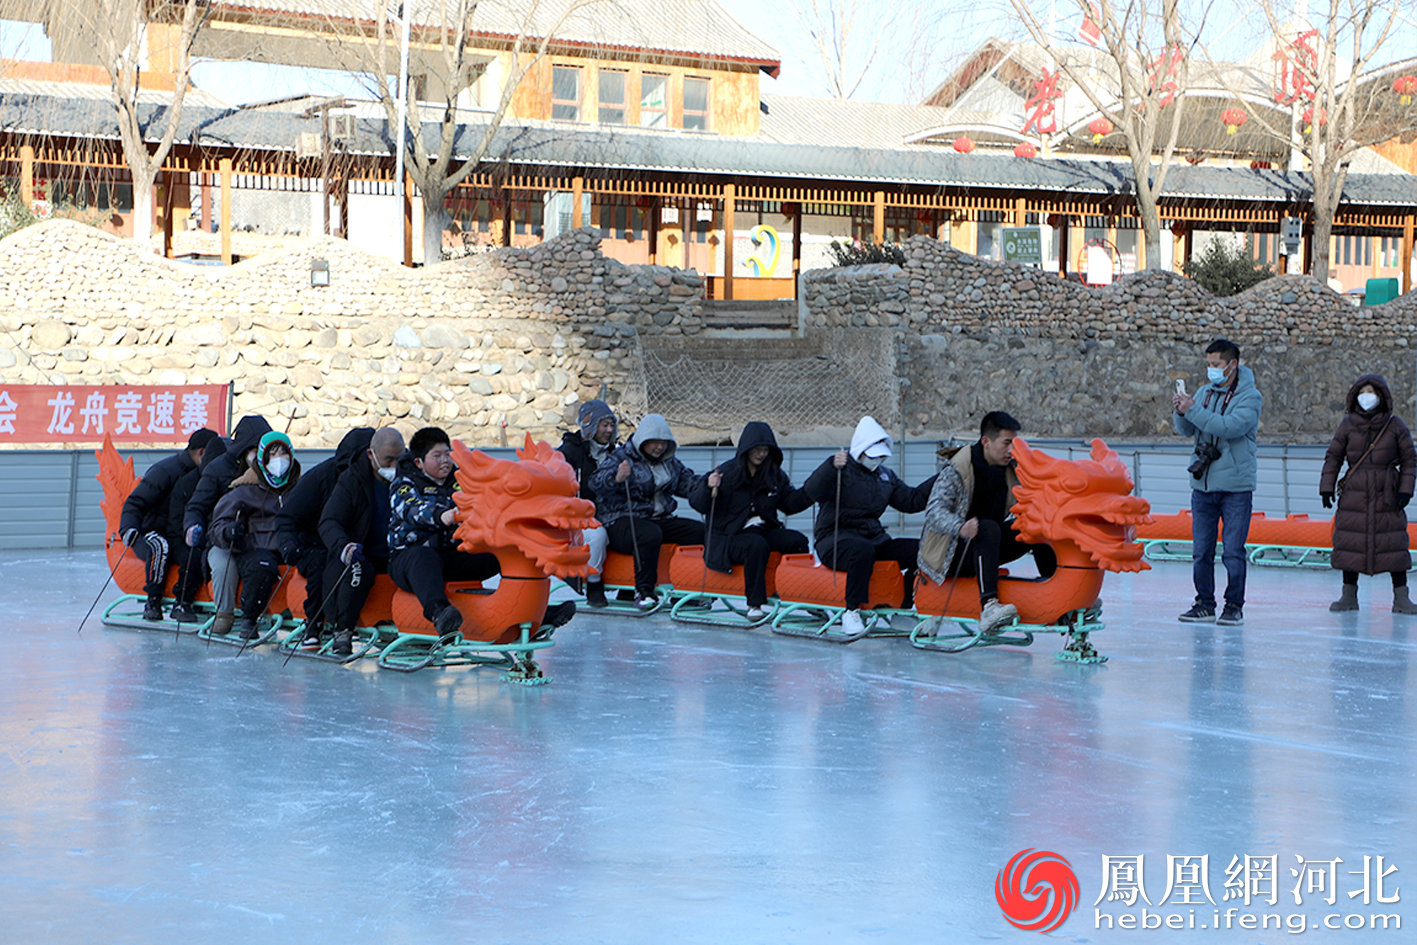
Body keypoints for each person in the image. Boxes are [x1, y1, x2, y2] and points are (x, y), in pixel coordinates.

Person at [388, 427, 576, 637]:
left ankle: (533, 610)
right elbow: (412, 510)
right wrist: (444, 515)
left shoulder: (460, 481)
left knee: (506, 550)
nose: (445, 461)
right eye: (437, 456)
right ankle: (439, 613)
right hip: (411, 560)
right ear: (419, 463)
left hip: (452, 553)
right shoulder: (404, 484)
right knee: (423, 558)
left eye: (447, 454)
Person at [918, 412, 1057, 634]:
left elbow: (1034, 495)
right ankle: (989, 607)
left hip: (985, 546)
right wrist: (960, 527)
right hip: (950, 553)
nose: (1011, 450)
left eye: (1015, 443)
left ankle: (1055, 587)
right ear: (986, 441)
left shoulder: (1011, 469)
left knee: (1032, 523)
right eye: (1006, 443)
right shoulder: (957, 469)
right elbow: (934, 512)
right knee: (988, 528)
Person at [803, 415, 937, 635]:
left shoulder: (885, 476)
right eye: (872, 456)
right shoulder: (840, 469)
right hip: (835, 539)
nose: (877, 461)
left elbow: (911, 500)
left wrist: (939, 479)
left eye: (881, 457)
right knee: (860, 551)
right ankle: (851, 610)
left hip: (873, 539)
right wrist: (829, 466)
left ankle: (902, 610)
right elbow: (812, 491)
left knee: (921, 549)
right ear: (859, 450)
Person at [1173, 338, 1263, 626]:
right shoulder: (1204, 392)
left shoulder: (1250, 397)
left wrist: (1194, 411)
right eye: (1208, 364)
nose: (1211, 370)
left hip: (1235, 486)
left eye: (1216, 365)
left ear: (1232, 365)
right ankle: (1204, 603)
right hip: (1203, 485)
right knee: (1201, 550)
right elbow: (1188, 429)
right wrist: (1180, 411)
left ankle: (1234, 605)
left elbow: (1230, 427)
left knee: (1234, 551)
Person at [690, 421, 811, 619]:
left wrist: (813, 490)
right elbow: (699, 504)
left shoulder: (774, 474)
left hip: (763, 529)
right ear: (746, 449)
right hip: (729, 537)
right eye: (756, 449)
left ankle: (796, 593)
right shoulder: (727, 473)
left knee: (797, 541)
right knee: (756, 545)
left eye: (765, 450)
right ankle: (755, 603)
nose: (761, 454)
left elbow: (790, 503)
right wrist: (707, 485)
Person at [1320, 374, 1417, 614]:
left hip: (1387, 490)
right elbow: (1334, 456)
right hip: (1355, 489)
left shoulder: (1395, 426)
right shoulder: (1347, 425)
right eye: (1363, 392)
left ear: (1382, 397)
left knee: (1394, 542)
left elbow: (1409, 460)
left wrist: (1405, 490)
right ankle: (1348, 596)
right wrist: (1326, 486)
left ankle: (1401, 597)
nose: (1367, 397)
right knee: (1350, 541)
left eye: (1372, 392)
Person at [590, 414, 705, 608]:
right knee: (649, 533)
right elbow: (595, 482)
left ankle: (686, 589)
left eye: (663, 443)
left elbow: (687, 484)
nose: (659, 448)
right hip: (621, 520)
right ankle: (644, 591)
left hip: (658, 518)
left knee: (698, 531)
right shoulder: (622, 457)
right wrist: (616, 477)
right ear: (643, 440)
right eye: (654, 443)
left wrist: (709, 484)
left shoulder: (669, 462)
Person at [275, 426, 374, 644]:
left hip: (351, 545)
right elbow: (286, 518)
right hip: (313, 544)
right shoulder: (322, 477)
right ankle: (314, 623)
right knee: (321, 564)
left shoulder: (376, 478)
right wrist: (289, 547)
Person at [319, 426, 405, 657]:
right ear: (372, 455)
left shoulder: (408, 478)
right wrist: (343, 545)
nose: (394, 467)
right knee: (357, 570)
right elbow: (329, 521)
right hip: (361, 552)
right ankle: (343, 629)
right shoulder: (352, 481)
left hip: (398, 553)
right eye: (388, 460)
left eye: (399, 459)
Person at [118, 428, 218, 621]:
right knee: (159, 546)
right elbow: (134, 503)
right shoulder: (165, 472)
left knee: (196, 553)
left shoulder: (205, 476)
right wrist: (128, 529)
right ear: (203, 453)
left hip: (178, 534)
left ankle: (183, 602)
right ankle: (153, 601)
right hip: (149, 532)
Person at [184, 415, 272, 632]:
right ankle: (224, 614)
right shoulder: (218, 469)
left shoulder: (272, 468)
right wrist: (192, 527)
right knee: (224, 562)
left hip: (261, 536)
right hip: (223, 537)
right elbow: (196, 506)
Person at [210, 431, 301, 639]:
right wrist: (229, 531)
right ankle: (250, 618)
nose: (278, 461)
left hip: (288, 545)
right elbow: (218, 525)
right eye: (272, 455)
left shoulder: (298, 489)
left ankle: (314, 622)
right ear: (263, 459)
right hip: (256, 548)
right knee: (262, 566)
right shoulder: (244, 492)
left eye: (283, 454)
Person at [557, 399, 618, 607]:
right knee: (597, 534)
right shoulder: (571, 452)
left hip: (610, 513)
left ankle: (632, 586)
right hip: (579, 518)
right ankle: (594, 583)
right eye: (604, 425)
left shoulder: (614, 453)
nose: (609, 431)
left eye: (612, 425)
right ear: (591, 425)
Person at [165, 436, 226, 624]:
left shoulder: (223, 480)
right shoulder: (187, 483)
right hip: (181, 535)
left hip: (212, 535)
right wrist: (191, 530)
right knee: (193, 557)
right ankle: (182, 601)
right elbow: (180, 516)